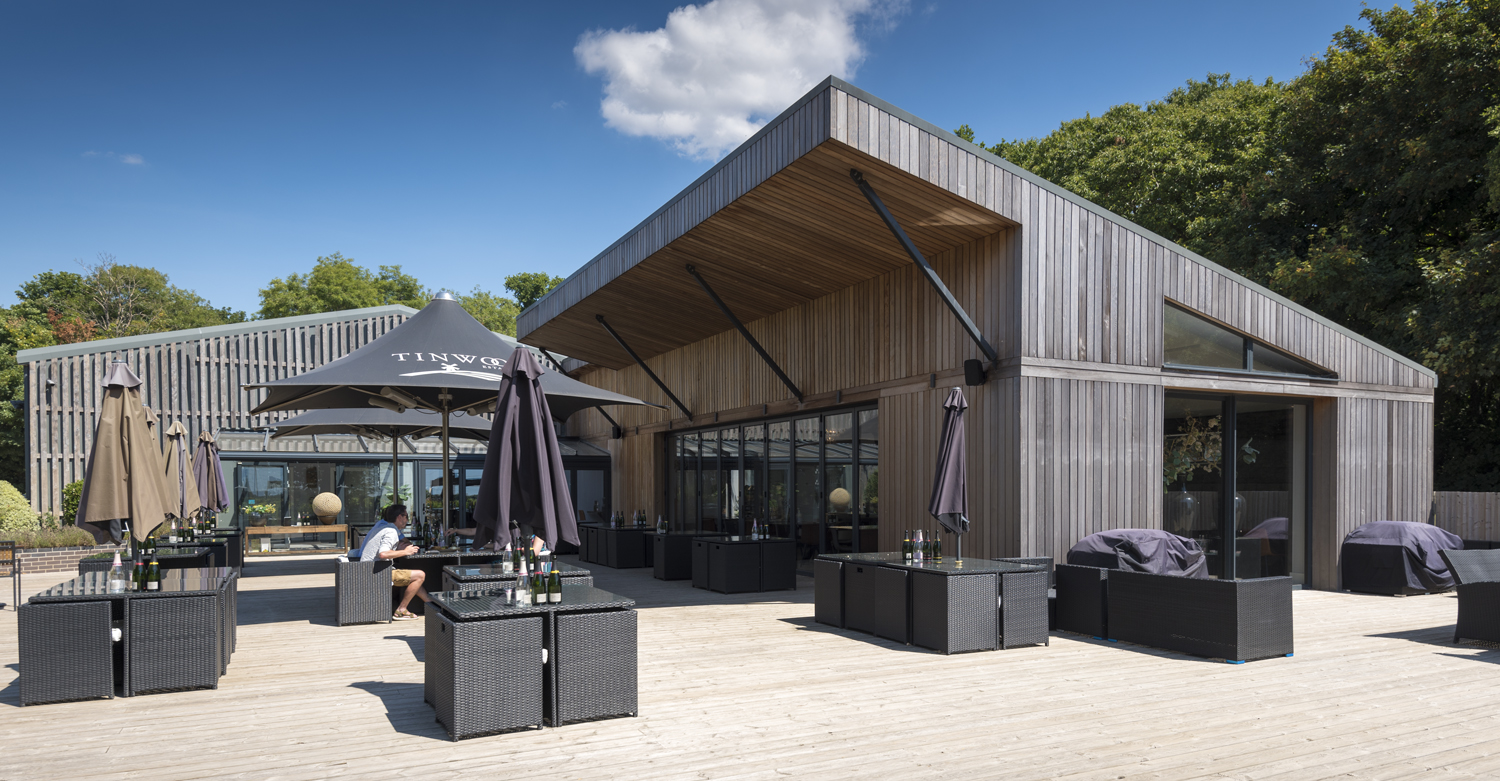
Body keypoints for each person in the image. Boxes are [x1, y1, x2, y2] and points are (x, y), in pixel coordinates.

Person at [361, 504, 429, 620]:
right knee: (420, 575)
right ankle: (401, 610)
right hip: (377, 572)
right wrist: (406, 552)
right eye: (406, 517)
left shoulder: (383, 528)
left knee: (412, 576)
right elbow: (383, 554)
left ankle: (430, 603)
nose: (407, 520)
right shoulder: (391, 532)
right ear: (399, 517)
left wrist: (400, 549)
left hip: (368, 569)